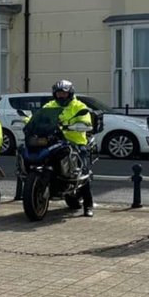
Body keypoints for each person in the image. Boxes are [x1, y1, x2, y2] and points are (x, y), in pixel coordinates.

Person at [45, 80, 95, 217]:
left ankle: (88, 205)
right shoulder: (51, 105)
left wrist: (78, 125)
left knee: (82, 171)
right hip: (55, 140)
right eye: (59, 93)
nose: (61, 96)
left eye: (64, 93)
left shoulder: (79, 106)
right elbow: (40, 116)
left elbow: (86, 122)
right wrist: (29, 121)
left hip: (75, 142)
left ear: (70, 93)